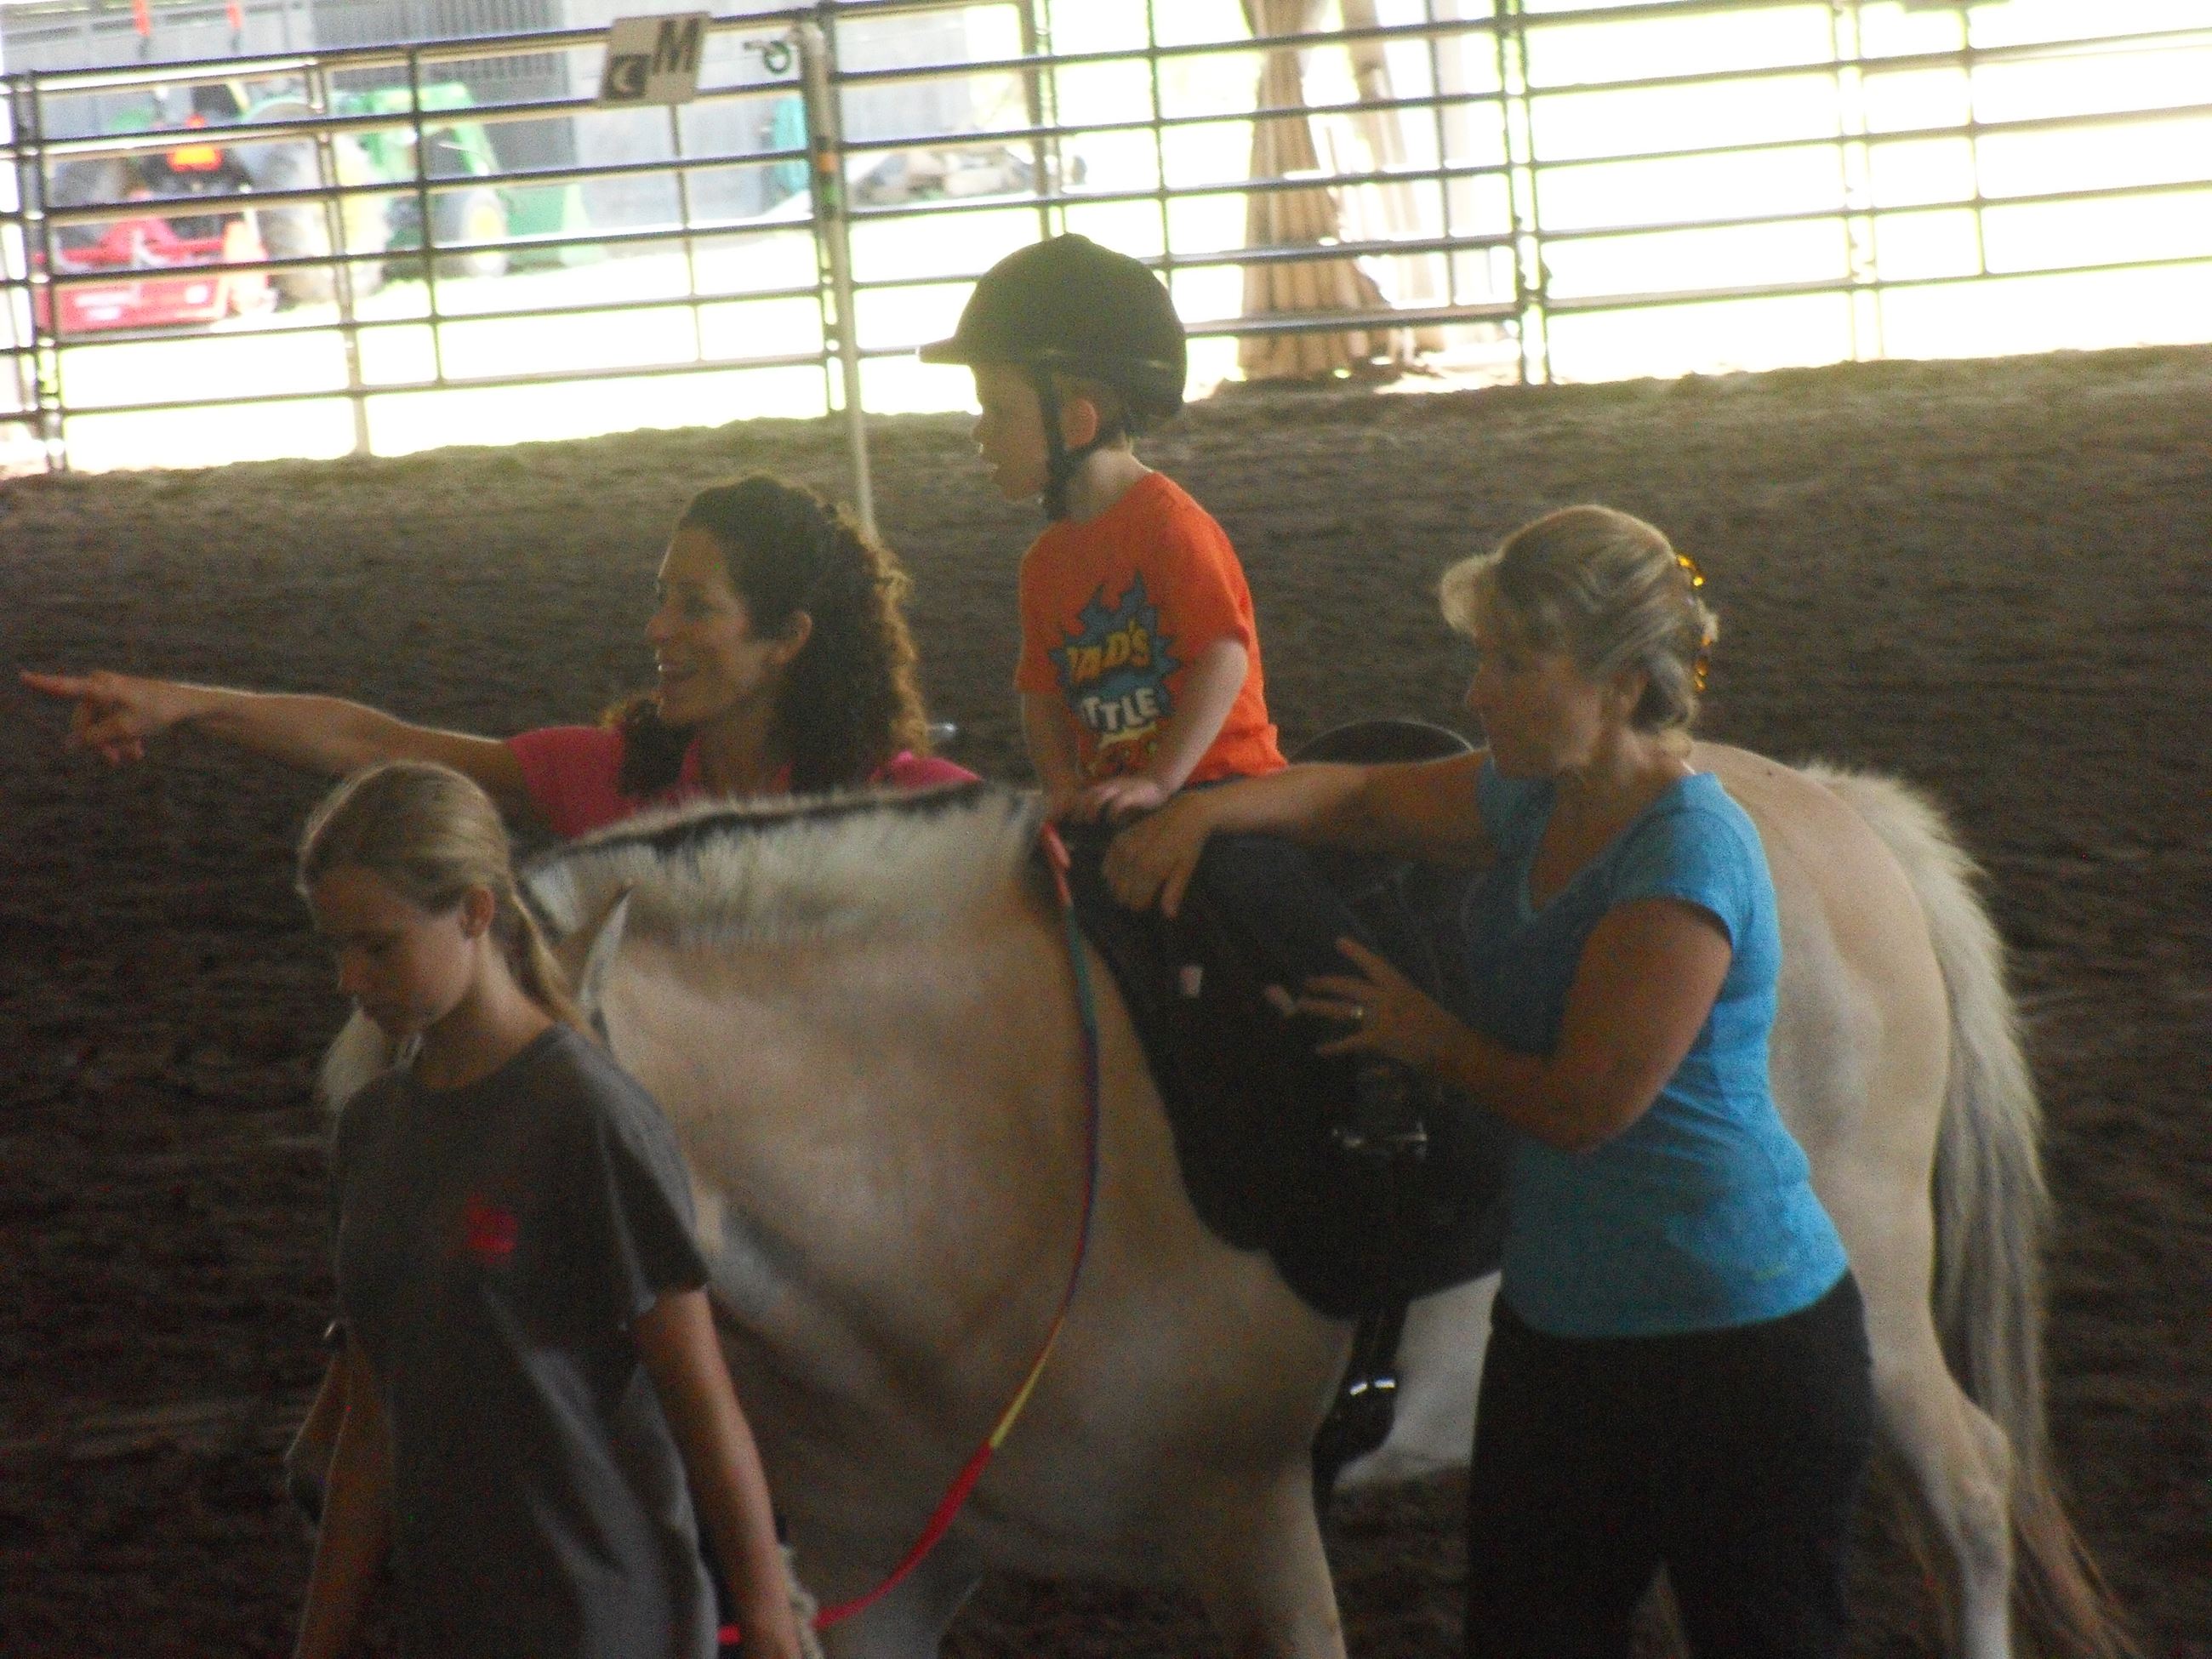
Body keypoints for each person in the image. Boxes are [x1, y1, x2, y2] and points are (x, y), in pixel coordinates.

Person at [1105, 505, 1875, 1657]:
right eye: (1485, 657)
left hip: (1735, 1348)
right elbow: (1360, 798)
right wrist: (1207, 808)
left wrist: (1425, 1034)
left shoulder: (1683, 851)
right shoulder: (1538, 797)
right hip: (1563, 1328)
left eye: (1514, 663)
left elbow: (1585, 1104)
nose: (1477, 692)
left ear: (1621, 684)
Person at [292, 761, 805, 1659]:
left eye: (377, 945)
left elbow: (700, 1396)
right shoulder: (372, 1129)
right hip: (456, 1625)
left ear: (475, 913)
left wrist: (766, 1626)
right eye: (334, 947)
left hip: (604, 1620)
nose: (348, 978)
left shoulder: (586, 1117)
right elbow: (374, 1415)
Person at [21, 472, 972, 836]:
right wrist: (184, 704)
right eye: (658, 602)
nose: (657, 633)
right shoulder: (616, 777)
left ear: (785, 642)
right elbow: (376, 746)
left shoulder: (916, 805)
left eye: (695, 609)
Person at [920, 233, 1285, 823]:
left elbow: (1223, 657)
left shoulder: (1170, 528)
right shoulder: (1044, 563)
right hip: (1120, 798)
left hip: (1221, 787)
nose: (981, 432)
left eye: (1000, 410)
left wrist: (1161, 782)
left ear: (1076, 421)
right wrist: (1062, 784)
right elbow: (1041, 694)